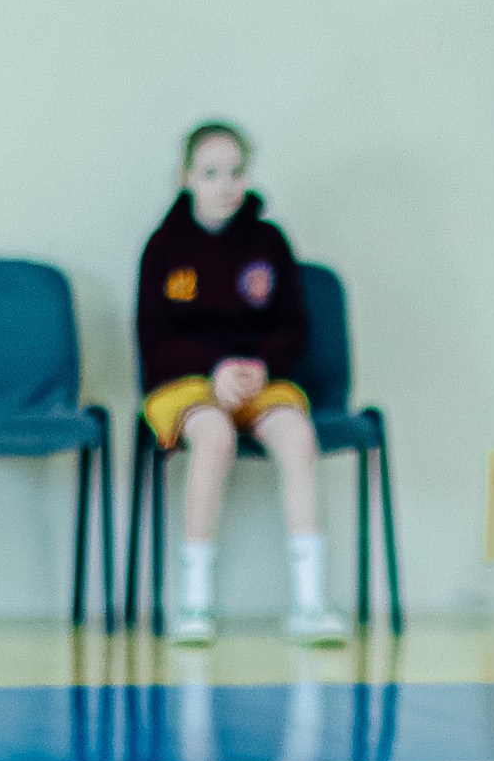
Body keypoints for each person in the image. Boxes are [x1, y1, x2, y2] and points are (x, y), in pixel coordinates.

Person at [136, 122, 348, 647]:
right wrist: (215, 371)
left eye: (235, 173)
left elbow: (292, 328)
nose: (225, 185)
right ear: (187, 178)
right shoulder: (163, 248)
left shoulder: (269, 241)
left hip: (259, 378)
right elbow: (155, 339)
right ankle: (195, 602)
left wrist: (255, 367)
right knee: (214, 437)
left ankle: (309, 602)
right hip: (186, 384)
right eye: (211, 174)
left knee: (297, 436)